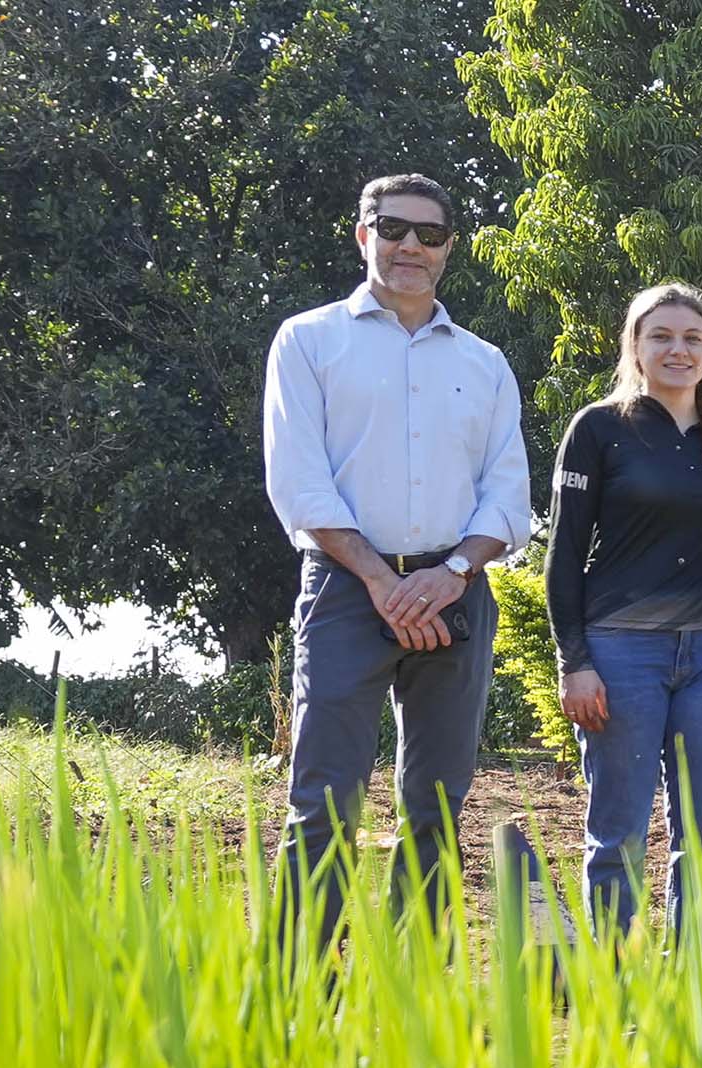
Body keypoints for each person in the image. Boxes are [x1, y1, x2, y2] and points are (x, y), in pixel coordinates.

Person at [261, 171, 529, 936]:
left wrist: (446, 577)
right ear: (363, 234)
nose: (411, 245)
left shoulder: (485, 363)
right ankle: (299, 995)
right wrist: (384, 583)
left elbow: (507, 498)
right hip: (347, 591)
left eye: (430, 233)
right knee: (323, 802)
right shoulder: (308, 341)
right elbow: (301, 485)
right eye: (394, 228)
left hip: (457, 594)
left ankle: (416, 994)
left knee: (439, 807)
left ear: (449, 250)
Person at [546, 282, 702, 934]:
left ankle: (689, 986)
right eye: (661, 336)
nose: (678, 349)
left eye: (692, 338)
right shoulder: (598, 429)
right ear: (635, 348)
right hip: (620, 655)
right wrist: (573, 660)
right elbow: (563, 555)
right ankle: (610, 982)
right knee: (619, 834)